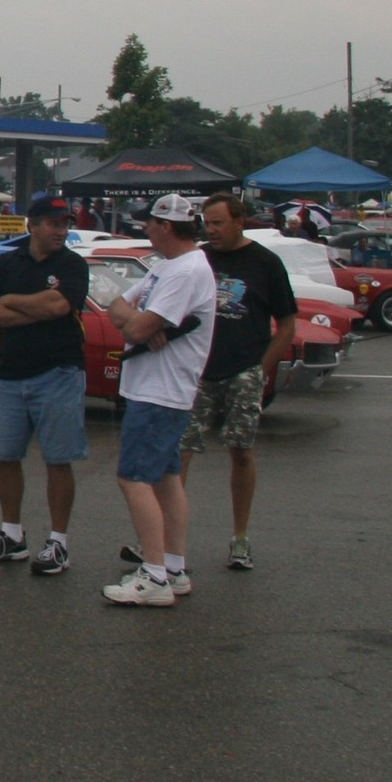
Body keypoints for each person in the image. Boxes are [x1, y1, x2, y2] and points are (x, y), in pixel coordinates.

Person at [94, 192, 219, 607]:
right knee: (166, 478)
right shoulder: (167, 268)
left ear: (166, 225)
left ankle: (154, 576)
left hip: (160, 390)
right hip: (159, 388)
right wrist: (141, 324)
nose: (144, 228)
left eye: (148, 222)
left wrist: (140, 325)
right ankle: (173, 566)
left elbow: (131, 329)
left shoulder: (184, 272)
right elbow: (118, 308)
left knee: (134, 477)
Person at [0, 192, 89, 576]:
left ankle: (58, 541)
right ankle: (11, 534)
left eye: (65, 224)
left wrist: (13, 301)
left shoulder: (72, 265)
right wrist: (33, 309)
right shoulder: (6, 263)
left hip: (58, 373)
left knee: (58, 459)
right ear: (32, 225)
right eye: (53, 224)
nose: (60, 231)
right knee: (5, 455)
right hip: (9, 375)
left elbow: (59, 307)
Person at [175, 193, 297, 572]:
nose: (210, 231)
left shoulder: (265, 263)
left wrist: (261, 370)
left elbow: (287, 326)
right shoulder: (197, 259)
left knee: (241, 451)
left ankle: (240, 538)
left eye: (218, 223)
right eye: (206, 224)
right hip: (197, 371)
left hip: (243, 368)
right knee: (179, 451)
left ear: (239, 221)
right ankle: (168, 540)